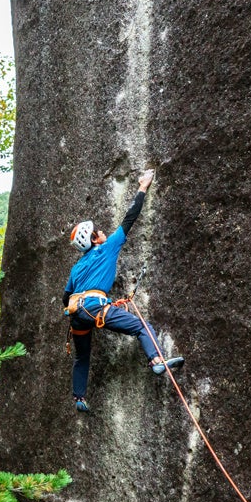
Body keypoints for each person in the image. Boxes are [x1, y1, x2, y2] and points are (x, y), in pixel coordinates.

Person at [62, 169, 182, 412]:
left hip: (76, 315)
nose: (104, 232)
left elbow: (66, 297)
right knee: (141, 326)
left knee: (82, 356)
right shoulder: (107, 249)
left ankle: (79, 398)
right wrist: (143, 187)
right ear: (95, 240)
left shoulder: (77, 267)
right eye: (99, 232)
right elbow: (129, 219)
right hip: (95, 309)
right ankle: (156, 360)